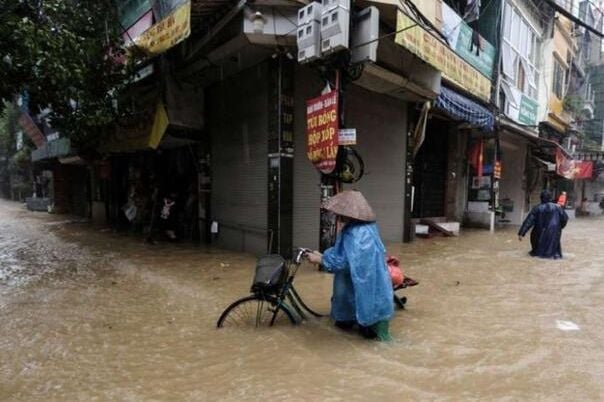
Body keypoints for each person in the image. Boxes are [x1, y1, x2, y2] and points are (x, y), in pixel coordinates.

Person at [306, 190, 394, 341]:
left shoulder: (356, 234)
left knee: (369, 337)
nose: (337, 216)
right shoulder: (367, 228)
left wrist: (321, 260)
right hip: (368, 286)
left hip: (366, 290)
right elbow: (343, 253)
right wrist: (324, 255)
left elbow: (346, 263)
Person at [518, 190, 568, 259]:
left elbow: (528, 221)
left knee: (538, 254)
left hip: (539, 233)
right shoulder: (558, 208)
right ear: (550, 198)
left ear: (541, 198)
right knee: (554, 254)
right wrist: (559, 227)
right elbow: (565, 219)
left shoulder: (537, 208)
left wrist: (521, 233)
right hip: (554, 233)